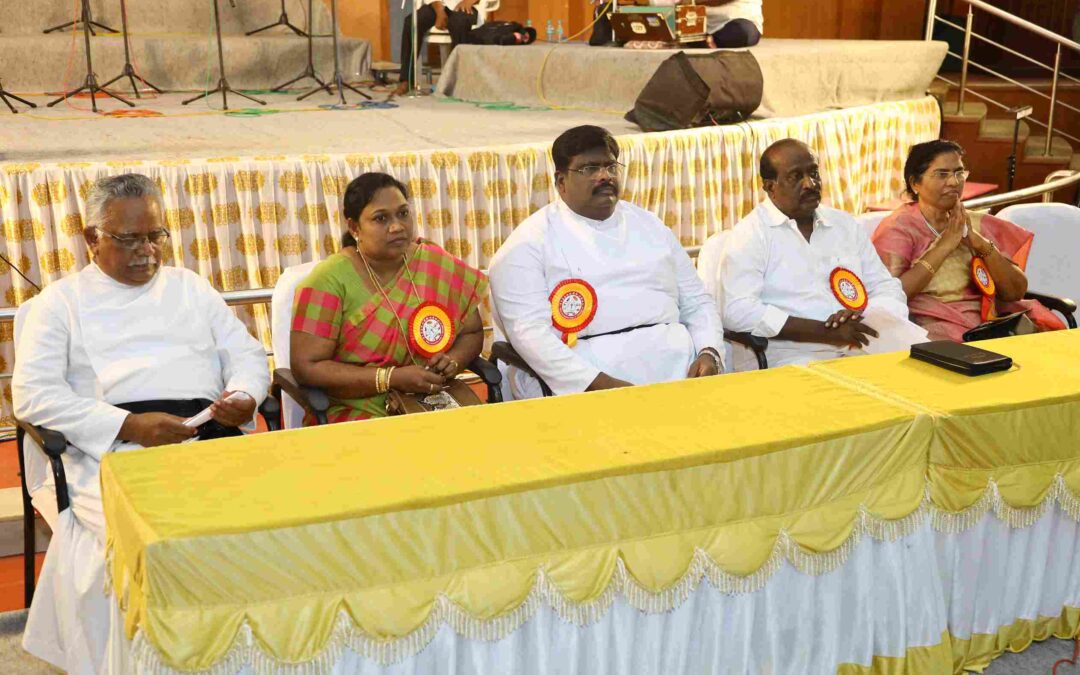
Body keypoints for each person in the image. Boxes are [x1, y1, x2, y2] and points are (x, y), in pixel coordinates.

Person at [13, 173, 270, 672]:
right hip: (115, 450)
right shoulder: (59, 304)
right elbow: (33, 395)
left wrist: (244, 395)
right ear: (92, 238)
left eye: (156, 236)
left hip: (210, 434)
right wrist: (128, 427)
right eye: (129, 238)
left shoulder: (190, 287)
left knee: (270, 523)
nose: (147, 251)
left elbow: (247, 355)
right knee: (158, 542)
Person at [488, 125, 723, 399]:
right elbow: (530, 334)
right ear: (561, 182)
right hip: (585, 381)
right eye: (589, 168)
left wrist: (709, 352)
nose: (604, 176)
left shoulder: (651, 225)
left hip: (679, 370)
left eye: (611, 166)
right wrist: (600, 385)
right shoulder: (526, 245)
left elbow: (697, 302)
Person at [290, 172, 487, 422]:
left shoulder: (433, 263)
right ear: (354, 227)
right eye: (381, 218)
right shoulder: (328, 281)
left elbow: (471, 332)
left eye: (403, 214)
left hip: (432, 399)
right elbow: (307, 366)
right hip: (356, 408)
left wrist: (453, 361)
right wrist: (391, 378)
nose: (397, 226)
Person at [720, 138, 921, 370]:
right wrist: (825, 332)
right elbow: (738, 311)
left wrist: (865, 315)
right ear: (770, 186)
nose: (810, 183)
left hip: (862, 344)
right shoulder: (750, 234)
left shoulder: (844, 224)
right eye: (795, 177)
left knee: (926, 372)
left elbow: (886, 287)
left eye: (814, 173)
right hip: (792, 356)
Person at [871, 139, 1065, 342]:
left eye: (959, 173)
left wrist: (980, 243)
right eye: (942, 174)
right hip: (935, 334)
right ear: (915, 183)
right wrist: (945, 245)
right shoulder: (899, 228)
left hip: (993, 326)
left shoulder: (973, 222)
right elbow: (889, 297)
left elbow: (1015, 291)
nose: (954, 182)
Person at [394, 0, 479, 96]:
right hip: (437, 4)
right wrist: (439, 11)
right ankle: (406, 79)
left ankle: (461, 81)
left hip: (465, 5)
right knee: (412, 22)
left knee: (459, 23)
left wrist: (469, 1)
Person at [688, 0, 762, 48]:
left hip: (739, 19)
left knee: (743, 30)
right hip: (699, 19)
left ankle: (711, 40)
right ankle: (705, 40)